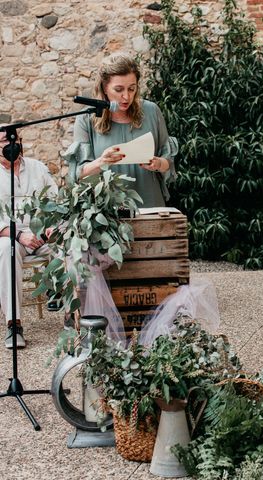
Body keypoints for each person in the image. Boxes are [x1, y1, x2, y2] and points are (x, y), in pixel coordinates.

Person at [64, 52, 177, 207]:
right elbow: (78, 174)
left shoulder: (151, 111)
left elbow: (168, 162)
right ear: (104, 88)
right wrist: (102, 162)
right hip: (108, 213)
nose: (126, 97)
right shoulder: (86, 118)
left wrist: (157, 164)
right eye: (119, 89)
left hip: (150, 205)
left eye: (132, 89)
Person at [0, 127, 58, 348]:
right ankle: (14, 325)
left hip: (42, 235)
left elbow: (56, 202)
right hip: (10, 236)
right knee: (6, 249)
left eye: (16, 139)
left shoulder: (38, 168)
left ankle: (72, 311)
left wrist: (50, 229)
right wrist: (19, 235)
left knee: (70, 244)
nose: (12, 144)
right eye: (5, 141)